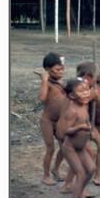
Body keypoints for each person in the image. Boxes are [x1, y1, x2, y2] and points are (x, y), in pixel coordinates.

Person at [55, 78, 95, 198]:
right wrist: (80, 127)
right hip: (70, 148)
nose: (86, 94)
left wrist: (89, 129)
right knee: (81, 173)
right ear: (72, 96)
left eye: (87, 90)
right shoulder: (72, 111)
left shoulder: (84, 104)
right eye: (81, 91)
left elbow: (87, 118)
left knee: (91, 169)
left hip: (81, 147)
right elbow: (65, 131)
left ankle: (79, 191)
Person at [37, 52, 67, 186]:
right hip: (48, 121)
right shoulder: (47, 84)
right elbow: (42, 98)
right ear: (48, 70)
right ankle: (46, 175)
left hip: (60, 121)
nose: (61, 72)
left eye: (62, 69)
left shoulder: (60, 83)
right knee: (50, 148)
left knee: (65, 147)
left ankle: (56, 169)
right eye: (57, 70)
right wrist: (44, 80)